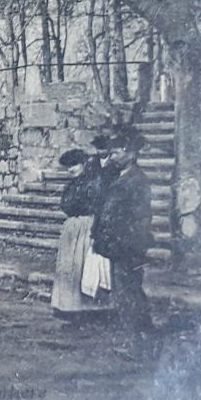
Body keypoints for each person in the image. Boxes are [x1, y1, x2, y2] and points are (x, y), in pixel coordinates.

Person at [91, 126, 156, 351]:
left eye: (119, 151)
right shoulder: (119, 176)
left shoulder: (137, 180)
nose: (114, 155)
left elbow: (140, 217)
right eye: (114, 151)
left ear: (132, 153)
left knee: (130, 293)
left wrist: (126, 241)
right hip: (117, 244)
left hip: (128, 245)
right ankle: (139, 339)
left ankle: (139, 342)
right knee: (125, 293)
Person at [50, 145, 117, 321]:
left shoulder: (93, 182)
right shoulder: (72, 184)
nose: (71, 169)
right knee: (69, 268)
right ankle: (68, 306)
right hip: (72, 229)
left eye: (74, 165)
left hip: (87, 225)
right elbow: (64, 204)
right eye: (69, 166)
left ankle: (86, 309)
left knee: (83, 267)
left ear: (83, 164)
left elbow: (94, 203)